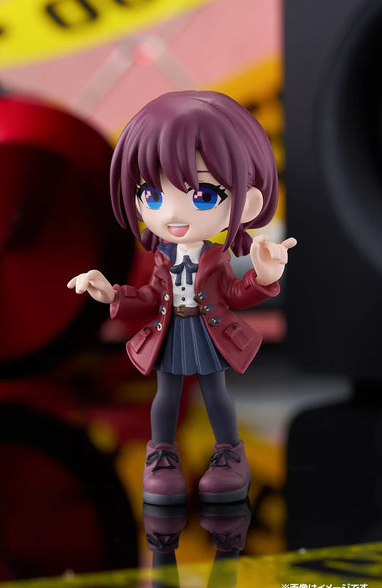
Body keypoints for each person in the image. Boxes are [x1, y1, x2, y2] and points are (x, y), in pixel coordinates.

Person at [68, 90, 296, 505]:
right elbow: (148, 297)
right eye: (152, 195)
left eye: (203, 195)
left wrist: (264, 277)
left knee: (215, 394)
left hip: (208, 331)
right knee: (166, 396)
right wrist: (112, 294)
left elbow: (234, 295)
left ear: (249, 203)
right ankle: (162, 457)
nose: (172, 214)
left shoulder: (215, 258)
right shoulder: (159, 259)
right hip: (169, 331)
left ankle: (229, 456)